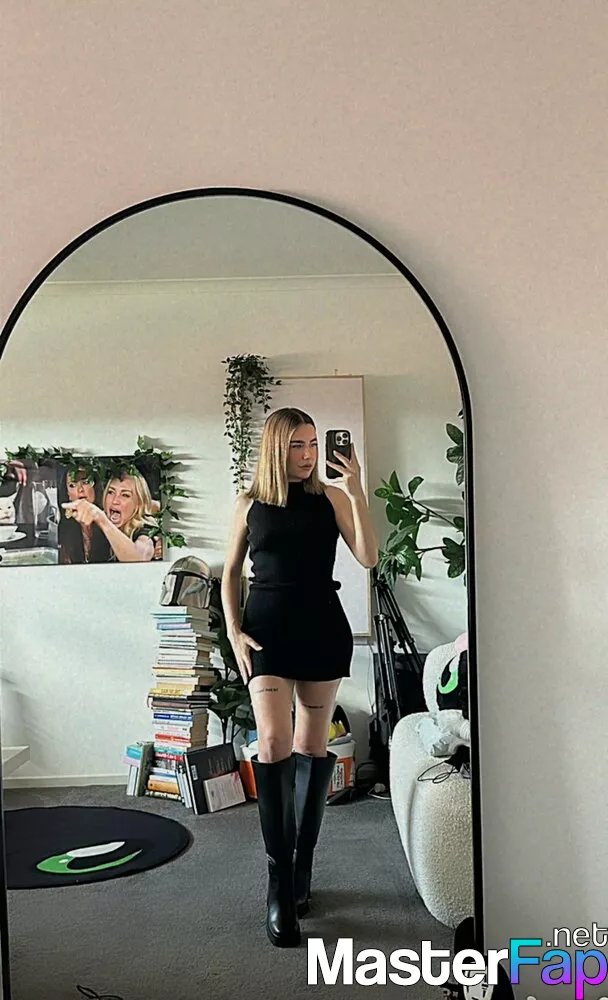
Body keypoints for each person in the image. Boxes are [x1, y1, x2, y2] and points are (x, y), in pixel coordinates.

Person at [221, 407, 378, 948]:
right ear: (275, 447)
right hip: (266, 632)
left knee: (313, 746)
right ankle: (279, 882)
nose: (309, 454)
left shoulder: (330, 498)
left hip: (321, 630)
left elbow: (368, 556)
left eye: (313, 444)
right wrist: (234, 631)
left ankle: (302, 865)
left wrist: (355, 490)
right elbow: (230, 573)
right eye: (297, 445)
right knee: (272, 741)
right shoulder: (249, 503)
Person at [62, 470, 161, 562]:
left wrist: (103, 521)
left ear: (138, 504)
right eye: (111, 492)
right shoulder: (97, 529)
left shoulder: (144, 530)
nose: (115, 501)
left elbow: (140, 558)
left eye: (125, 495)